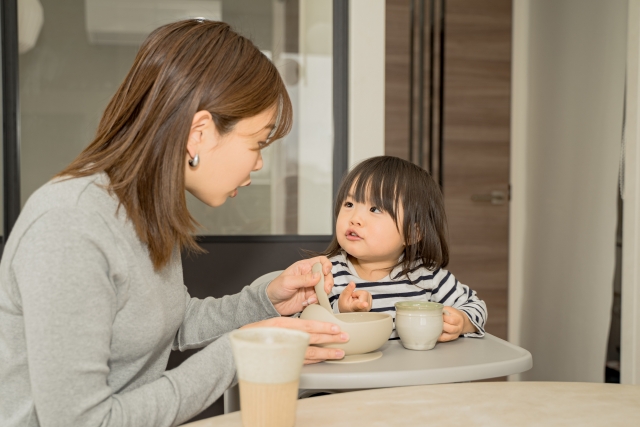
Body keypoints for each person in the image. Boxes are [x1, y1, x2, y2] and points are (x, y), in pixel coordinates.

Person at [0, 19, 349, 427]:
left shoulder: (142, 210)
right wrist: (243, 352)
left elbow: (168, 322)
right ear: (199, 133)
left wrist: (265, 301)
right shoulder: (69, 225)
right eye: (257, 143)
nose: (258, 163)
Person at [321, 156, 487, 341]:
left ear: (412, 234)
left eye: (375, 209)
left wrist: (462, 321)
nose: (354, 218)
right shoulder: (327, 273)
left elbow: (475, 306)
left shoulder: (426, 276)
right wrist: (340, 311)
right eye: (349, 204)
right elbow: (300, 322)